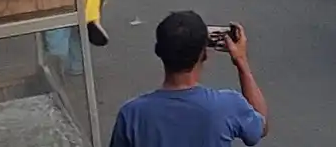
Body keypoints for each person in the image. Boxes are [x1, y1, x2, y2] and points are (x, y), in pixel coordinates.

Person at [109, 12, 268, 147]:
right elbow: (261, 127)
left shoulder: (131, 115)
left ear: (158, 51)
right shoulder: (227, 106)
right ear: (204, 55)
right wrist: (241, 62)